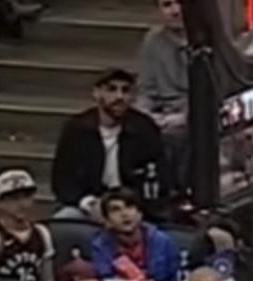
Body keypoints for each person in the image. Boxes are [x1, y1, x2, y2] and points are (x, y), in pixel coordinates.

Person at [50, 67, 167, 219]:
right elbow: (62, 180)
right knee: (64, 219)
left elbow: (158, 177)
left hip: (132, 206)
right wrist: (89, 203)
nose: (119, 96)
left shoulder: (144, 128)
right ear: (97, 93)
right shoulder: (76, 129)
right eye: (111, 89)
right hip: (90, 204)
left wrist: (129, 206)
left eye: (125, 91)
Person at [136, 0, 190, 187]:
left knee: (176, 137)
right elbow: (145, 89)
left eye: (181, 3)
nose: (175, 11)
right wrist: (145, 114)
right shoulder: (152, 41)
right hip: (163, 113)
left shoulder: (213, 38)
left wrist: (185, 116)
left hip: (198, 113)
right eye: (167, 5)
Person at [0, 170, 55, 281]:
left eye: (26, 197)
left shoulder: (42, 233)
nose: (22, 204)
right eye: (14, 198)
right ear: (0, 203)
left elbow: (48, 280)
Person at [87, 188, 181, 281]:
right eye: (116, 210)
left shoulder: (162, 241)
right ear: (107, 221)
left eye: (129, 207)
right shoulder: (100, 246)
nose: (124, 214)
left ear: (140, 214)